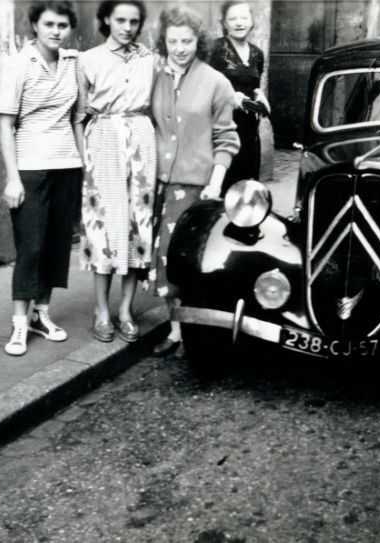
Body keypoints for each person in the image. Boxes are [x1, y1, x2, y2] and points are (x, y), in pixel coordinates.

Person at [149, 6, 240, 356]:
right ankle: (175, 332)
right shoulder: (156, 77)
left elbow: (227, 139)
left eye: (187, 41)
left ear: (198, 42)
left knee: (188, 260)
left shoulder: (216, 82)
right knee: (163, 259)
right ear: (164, 42)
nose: (180, 48)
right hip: (159, 184)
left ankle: (193, 335)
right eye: (173, 41)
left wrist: (215, 180)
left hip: (195, 186)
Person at [0, 1, 85, 356]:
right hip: (30, 166)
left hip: (67, 164)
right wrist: (12, 178)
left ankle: (42, 314)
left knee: (56, 243)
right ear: (35, 25)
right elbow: (5, 125)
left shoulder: (72, 63)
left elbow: (77, 118)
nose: (56, 31)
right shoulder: (18, 64)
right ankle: (19, 323)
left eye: (63, 25)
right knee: (31, 245)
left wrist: (85, 164)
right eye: (49, 23)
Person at [79, 1, 156, 343]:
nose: (127, 27)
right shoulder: (88, 59)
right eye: (120, 20)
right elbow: (78, 115)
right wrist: (86, 157)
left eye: (134, 21)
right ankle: (101, 310)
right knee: (104, 229)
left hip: (141, 138)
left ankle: (125, 308)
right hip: (104, 140)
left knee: (138, 226)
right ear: (107, 19)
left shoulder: (149, 59)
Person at [208, 1, 270, 195]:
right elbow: (204, 86)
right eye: (232, 18)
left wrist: (261, 97)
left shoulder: (257, 54)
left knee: (246, 188)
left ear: (252, 21)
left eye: (244, 18)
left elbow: (255, 85)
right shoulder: (215, 49)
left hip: (250, 129)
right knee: (223, 184)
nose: (239, 23)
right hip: (223, 126)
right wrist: (229, 96)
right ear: (224, 23)